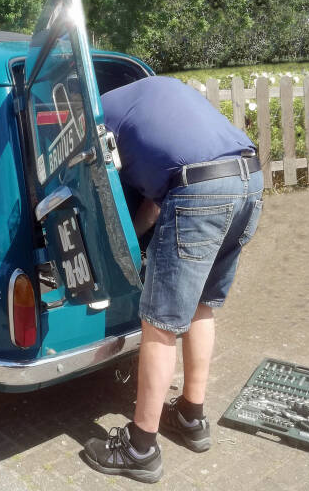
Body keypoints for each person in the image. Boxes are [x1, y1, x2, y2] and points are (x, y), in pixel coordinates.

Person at [82, 76, 264, 484]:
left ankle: (140, 448)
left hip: (200, 191)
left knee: (159, 323)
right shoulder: (152, 96)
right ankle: (190, 417)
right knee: (202, 303)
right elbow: (154, 202)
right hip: (249, 180)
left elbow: (95, 189)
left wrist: (120, 253)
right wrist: (136, 240)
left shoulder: (97, 117)